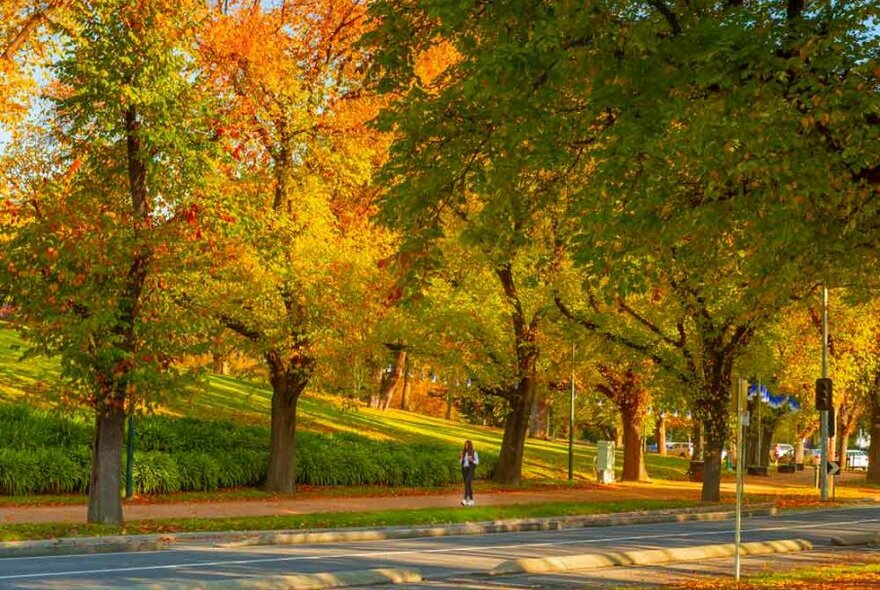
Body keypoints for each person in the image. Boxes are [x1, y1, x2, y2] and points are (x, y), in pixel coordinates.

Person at [459, 439, 479, 506]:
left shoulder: (474, 452)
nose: (466, 446)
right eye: (465, 445)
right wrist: (461, 457)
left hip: (470, 470)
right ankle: (471, 500)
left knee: (467, 482)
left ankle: (464, 499)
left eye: (467, 445)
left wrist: (472, 460)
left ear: (470, 445)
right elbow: (461, 463)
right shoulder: (464, 453)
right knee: (468, 485)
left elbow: (477, 462)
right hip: (464, 470)